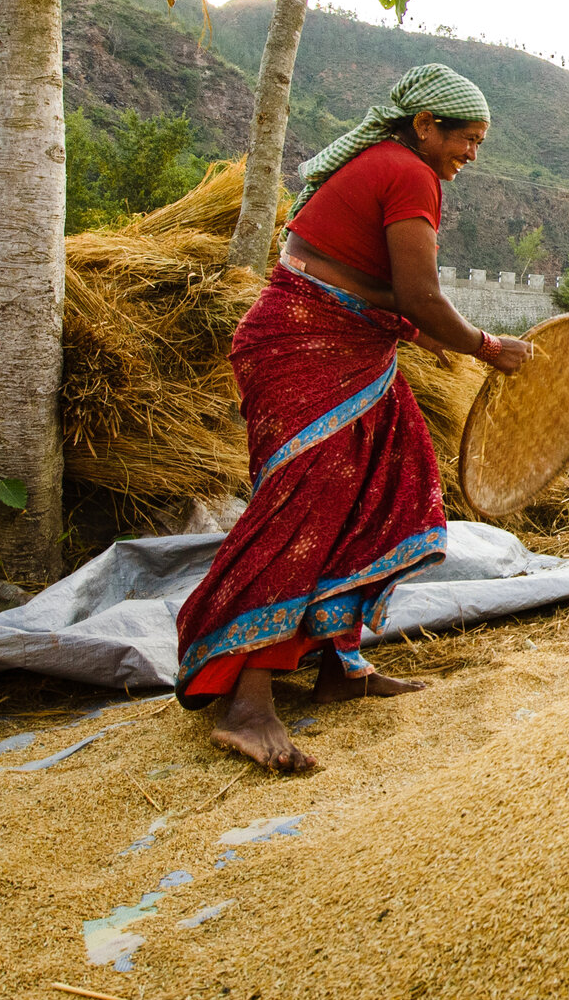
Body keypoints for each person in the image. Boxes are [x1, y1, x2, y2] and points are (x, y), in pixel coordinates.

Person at [175, 64, 534, 773]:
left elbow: (389, 297)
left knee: (390, 485)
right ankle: (248, 702)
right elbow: (420, 297)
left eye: (480, 143)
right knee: (303, 513)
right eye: (466, 139)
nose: (471, 154)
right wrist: (490, 348)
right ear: (425, 126)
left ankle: (342, 662)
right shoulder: (406, 171)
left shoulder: (394, 165)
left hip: (351, 349)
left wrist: (452, 343)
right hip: (301, 346)